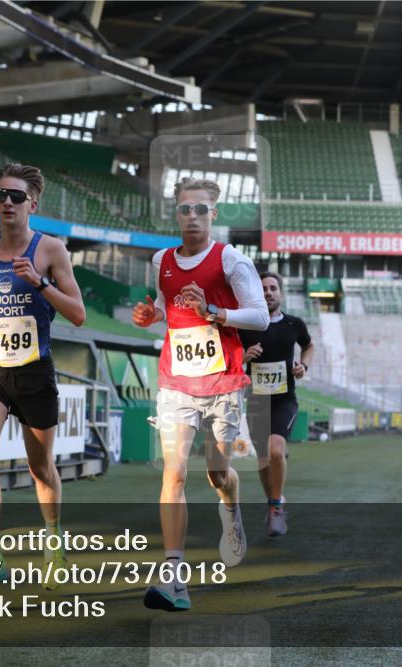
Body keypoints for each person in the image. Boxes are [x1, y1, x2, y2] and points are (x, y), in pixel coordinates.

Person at [131, 177, 268, 612]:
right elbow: (163, 306)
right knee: (172, 473)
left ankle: (230, 507)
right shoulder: (162, 260)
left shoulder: (232, 261)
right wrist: (150, 314)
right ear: (176, 213)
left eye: (201, 209)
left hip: (222, 381)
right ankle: (174, 578)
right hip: (177, 381)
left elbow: (261, 317)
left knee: (216, 474)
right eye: (185, 209)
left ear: (215, 214)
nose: (193, 216)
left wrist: (213, 310)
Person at [0, 163, 86, 594]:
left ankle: (53, 542)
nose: (6, 203)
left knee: (40, 468)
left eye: (15, 196)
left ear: (33, 203)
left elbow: (78, 315)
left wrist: (41, 283)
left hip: (34, 370)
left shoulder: (52, 250)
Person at [239, 271, 314, 537]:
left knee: (275, 449)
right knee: (262, 458)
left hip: (284, 400)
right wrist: (244, 356)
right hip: (256, 400)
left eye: (273, 288)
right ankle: (273, 501)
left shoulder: (294, 324)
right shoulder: (246, 326)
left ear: (280, 293)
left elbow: (309, 346)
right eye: (263, 289)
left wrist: (303, 365)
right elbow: (230, 358)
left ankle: (275, 507)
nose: (268, 292)